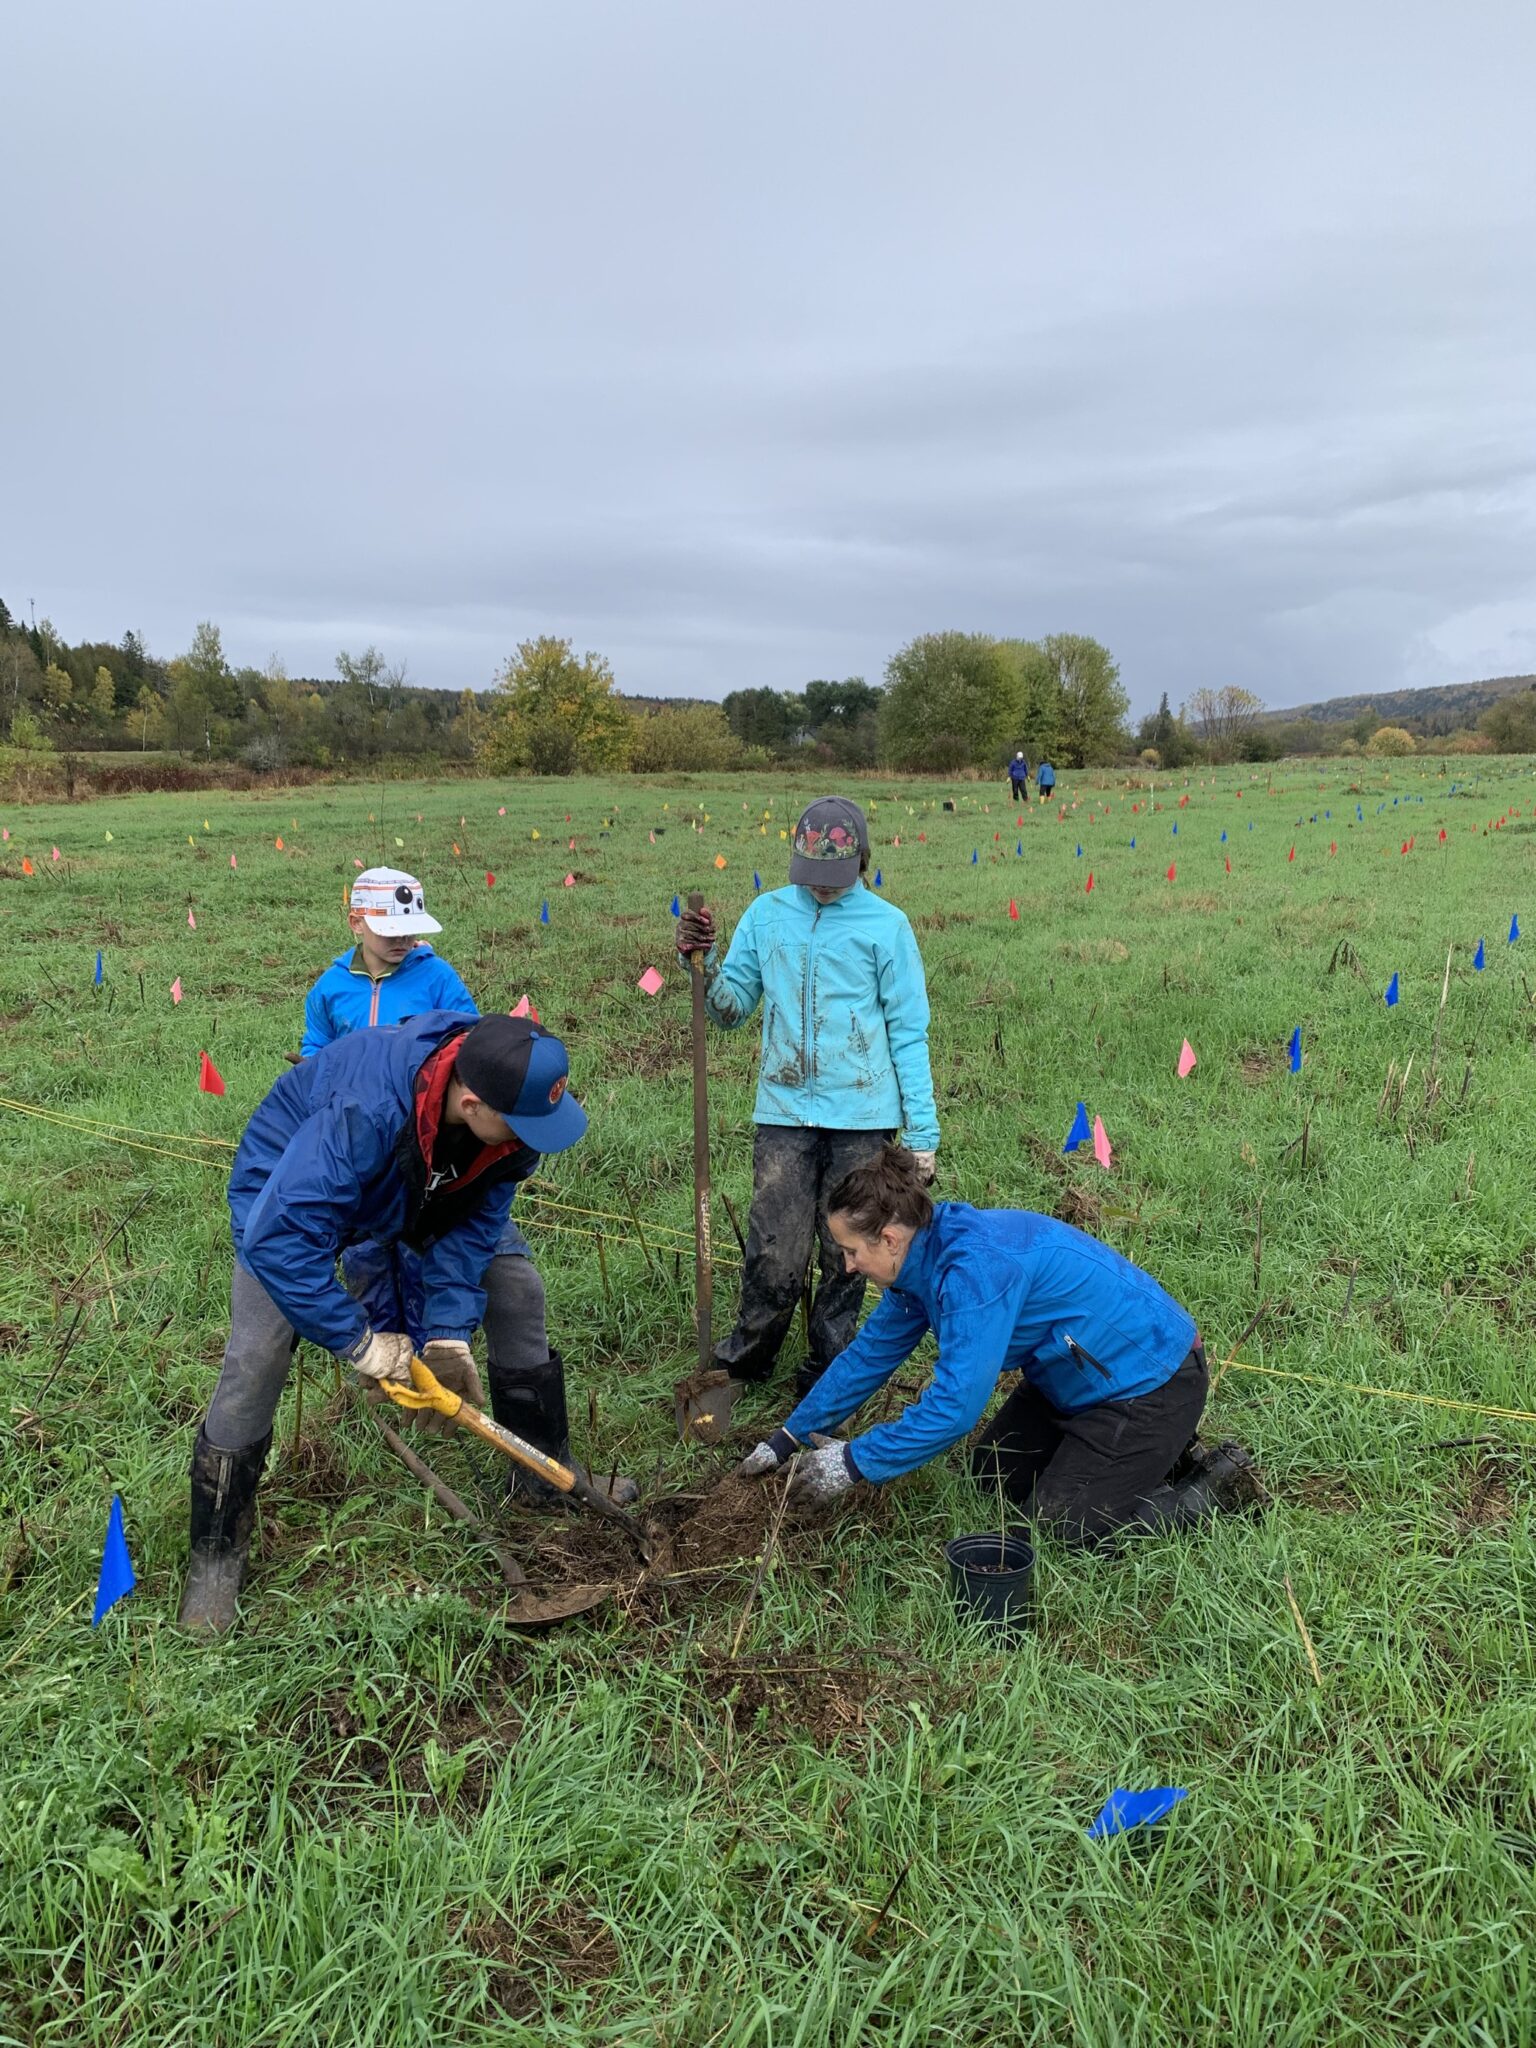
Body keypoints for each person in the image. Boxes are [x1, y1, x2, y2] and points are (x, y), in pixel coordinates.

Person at [179, 1013, 619, 1635]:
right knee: (259, 1352)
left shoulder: (509, 1123)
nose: (531, 1142)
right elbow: (280, 1238)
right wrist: (359, 1341)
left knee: (516, 1289)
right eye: (520, 1127)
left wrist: (446, 1331)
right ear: (472, 1103)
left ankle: (543, 1472)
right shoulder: (365, 1111)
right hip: (289, 1196)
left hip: (423, 1192)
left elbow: (471, 1227)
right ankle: (215, 1554)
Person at [299, 867, 619, 1524]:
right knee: (343, 1297)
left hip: (453, 1173)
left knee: (518, 1289)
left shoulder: (440, 984)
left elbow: (480, 1068)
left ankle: (541, 1467)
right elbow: (315, 1070)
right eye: (391, 930)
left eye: (413, 931)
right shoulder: (329, 992)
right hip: (369, 1179)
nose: (404, 942)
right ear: (354, 921)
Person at [737, 1147, 1263, 1539]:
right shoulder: (921, 1264)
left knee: (1062, 1528)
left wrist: (854, 1462)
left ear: (890, 1239)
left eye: (852, 1251)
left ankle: (1210, 1487)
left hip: (1151, 1382)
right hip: (1071, 1378)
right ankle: (1139, 1460)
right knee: (989, 1477)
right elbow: (869, 1355)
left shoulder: (974, 1274)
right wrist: (789, 1435)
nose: (848, 1265)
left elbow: (955, 1408)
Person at [677, 796, 940, 1399]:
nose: (822, 889)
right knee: (774, 1246)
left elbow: (908, 1031)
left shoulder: (887, 926)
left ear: (861, 863)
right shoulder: (767, 915)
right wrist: (706, 965)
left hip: (865, 1118)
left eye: (835, 879)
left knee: (847, 1252)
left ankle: (829, 1371)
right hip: (785, 1112)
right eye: (811, 877)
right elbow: (731, 1008)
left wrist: (922, 1135)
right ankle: (745, 1362)